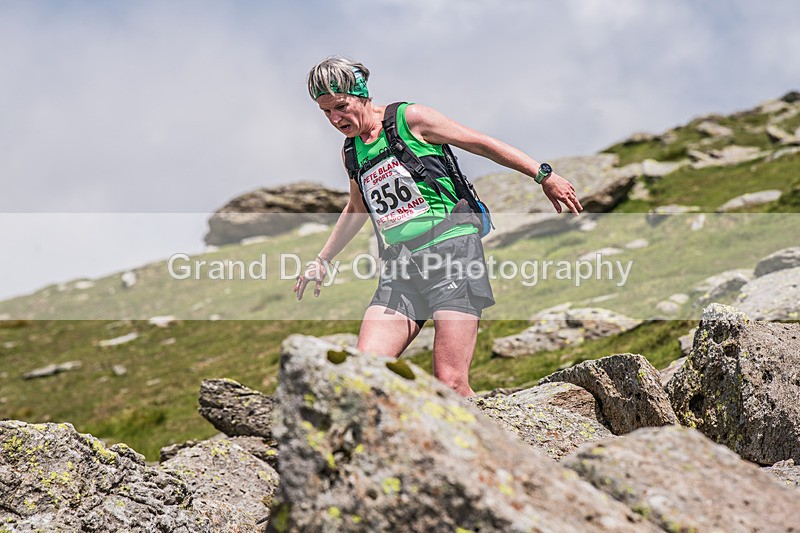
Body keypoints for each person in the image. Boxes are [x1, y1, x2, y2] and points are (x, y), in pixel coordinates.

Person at [294, 56, 582, 397]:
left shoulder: (410, 119)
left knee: (451, 383)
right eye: (326, 112)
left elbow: (480, 143)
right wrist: (322, 259)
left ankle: (501, 442)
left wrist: (543, 175)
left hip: (452, 253)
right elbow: (357, 207)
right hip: (401, 269)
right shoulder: (351, 152)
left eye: (341, 106)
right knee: (362, 374)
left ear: (362, 95)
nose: (335, 119)